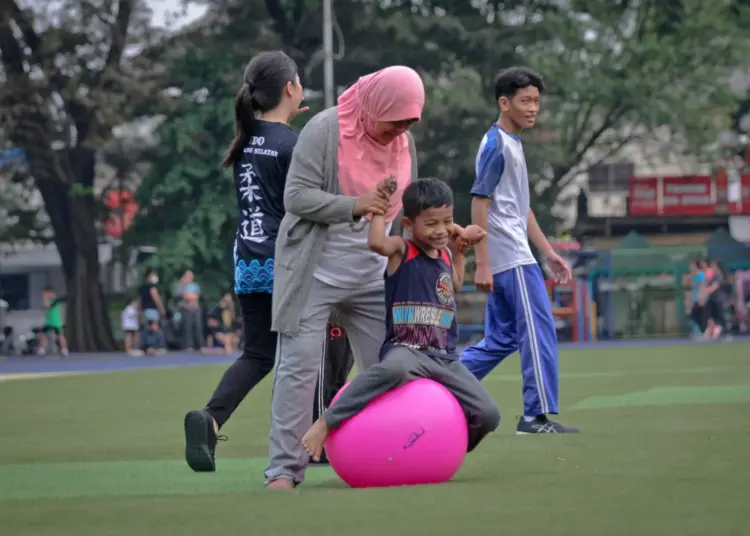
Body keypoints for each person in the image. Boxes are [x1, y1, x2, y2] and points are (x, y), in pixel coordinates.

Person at [182, 51, 349, 472]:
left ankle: (212, 417)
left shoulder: (244, 138)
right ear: (290, 88)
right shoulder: (292, 145)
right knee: (316, 347)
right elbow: (310, 202)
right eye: (298, 81)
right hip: (287, 261)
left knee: (258, 354)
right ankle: (314, 442)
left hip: (247, 259)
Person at [265, 65, 424, 489]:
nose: (402, 130)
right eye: (397, 120)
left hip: (371, 274)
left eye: (410, 122)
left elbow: (405, 208)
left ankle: (387, 456)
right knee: (298, 369)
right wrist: (355, 205)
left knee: (390, 369)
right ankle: (283, 469)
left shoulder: (404, 142)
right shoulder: (325, 130)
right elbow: (295, 197)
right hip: (313, 270)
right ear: (377, 105)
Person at [302, 178, 500, 461]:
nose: (440, 230)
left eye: (447, 221)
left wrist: (459, 250)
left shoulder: (444, 253)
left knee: (489, 415)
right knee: (391, 370)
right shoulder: (402, 250)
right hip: (407, 350)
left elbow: (454, 285)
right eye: (430, 224)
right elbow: (376, 242)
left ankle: (443, 447)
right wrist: (379, 208)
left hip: (444, 356)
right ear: (408, 224)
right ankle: (325, 423)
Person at [459, 67, 579, 434]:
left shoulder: (512, 143)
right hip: (509, 258)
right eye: (525, 101)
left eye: (536, 102)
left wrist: (548, 252)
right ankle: (534, 416)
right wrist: (482, 263)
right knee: (539, 332)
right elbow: (479, 202)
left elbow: (519, 207)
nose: (533, 109)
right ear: (504, 102)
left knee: (502, 339)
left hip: (517, 255)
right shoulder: (496, 144)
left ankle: (441, 380)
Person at [38, 286, 68, 357]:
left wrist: (45, 297)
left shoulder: (55, 301)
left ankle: (64, 350)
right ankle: (42, 349)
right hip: (48, 322)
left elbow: (48, 307)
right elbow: (46, 307)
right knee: (42, 334)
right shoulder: (50, 300)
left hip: (56, 322)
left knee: (60, 336)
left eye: (47, 293)